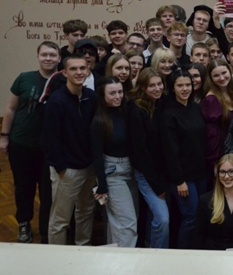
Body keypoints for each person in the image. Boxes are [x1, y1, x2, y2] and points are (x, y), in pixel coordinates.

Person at [1, 41, 60, 244]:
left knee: (48, 190)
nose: (48, 58)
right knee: (23, 187)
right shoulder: (24, 78)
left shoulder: (63, 80)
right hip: (22, 143)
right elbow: (10, 108)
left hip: (49, 147)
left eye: (52, 55)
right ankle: (24, 223)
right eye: (44, 54)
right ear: (38, 57)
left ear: (59, 58)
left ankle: (46, 229)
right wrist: (4, 136)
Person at [41, 54, 98, 245]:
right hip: (67, 170)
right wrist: (60, 168)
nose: (79, 72)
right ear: (65, 73)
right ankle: (57, 257)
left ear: (88, 70)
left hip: (89, 167)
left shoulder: (92, 97)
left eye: (82, 68)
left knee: (86, 212)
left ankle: (83, 247)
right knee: (60, 220)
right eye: (73, 69)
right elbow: (49, 138)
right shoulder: (56, 101)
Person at [161, 69, 208, 249]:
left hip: (200, 173)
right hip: (182, 178)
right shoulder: (169, 114)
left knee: (200, 217)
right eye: (180, 85)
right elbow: (169, 151)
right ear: (172, 88)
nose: (185, 89)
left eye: (188, 85)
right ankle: (182, 254)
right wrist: (180, 181)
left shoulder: (196, 108)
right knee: (190, 218)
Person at [90, 76, 138, 247]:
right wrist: (102, 184)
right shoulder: (99, 121)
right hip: (113, 173)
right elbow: (96, 155)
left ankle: (113, 258)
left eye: (120, 92)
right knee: (127, 224)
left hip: (130, 170)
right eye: (112, 93)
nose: (117, 96)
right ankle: (127, 259)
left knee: (118, 223)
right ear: (102, 96)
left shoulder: (125, 113)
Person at [128, 68, 169, 248]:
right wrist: (156, 183)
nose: (157, 88)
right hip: (146, 174)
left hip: (161, 172)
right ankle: (159, 255)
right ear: (143, 88)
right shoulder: (136, 110)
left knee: (154, 217)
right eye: (152, 85)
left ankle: (151, 249)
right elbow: (140, 152)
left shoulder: (160, 105)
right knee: (163, 219)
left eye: (159, 84)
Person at [202, 58, 233, 184]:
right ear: (211, 78)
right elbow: (212, 136)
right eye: (216, 75)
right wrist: (215, 162)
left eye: (224, 73)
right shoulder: (211, 100)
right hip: (222, 155)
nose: (222, 78)